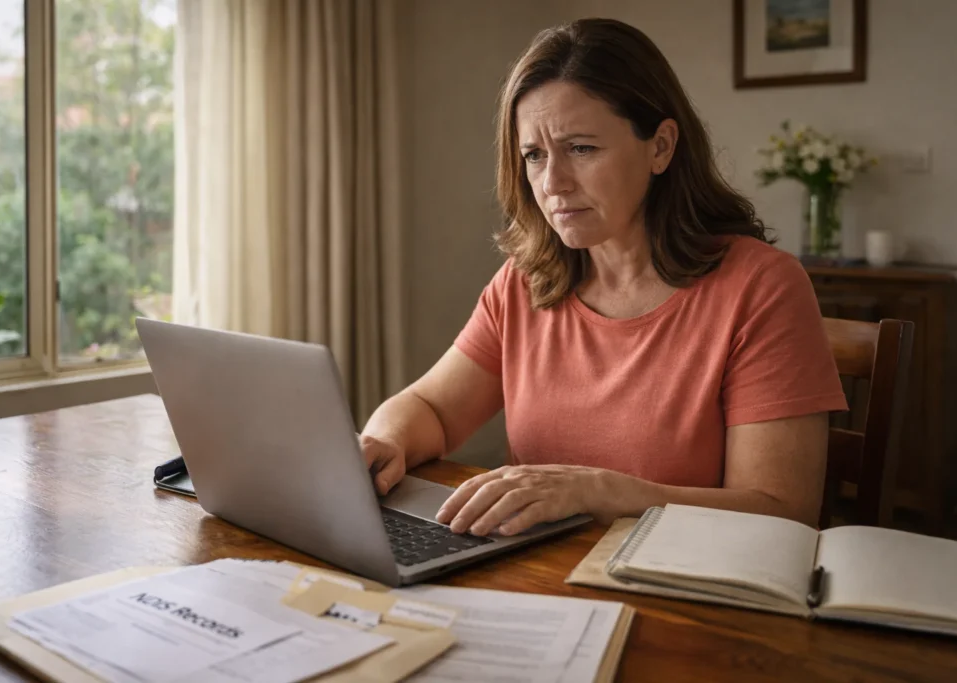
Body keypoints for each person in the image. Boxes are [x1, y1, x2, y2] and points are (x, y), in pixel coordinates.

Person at [360, 17, 847, 537]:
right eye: (534, 155)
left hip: (682, 594)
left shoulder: (761, 287)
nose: (552, 183)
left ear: (660, 146)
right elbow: (430, 408)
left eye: (581, 148)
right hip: (536, 580)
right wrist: (384, 441)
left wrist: (600, 493)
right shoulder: (525, 282)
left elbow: (782, 512)